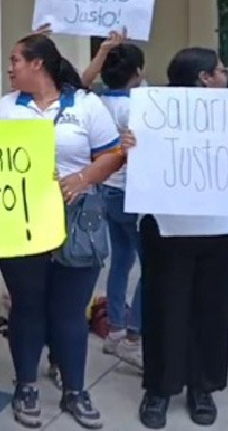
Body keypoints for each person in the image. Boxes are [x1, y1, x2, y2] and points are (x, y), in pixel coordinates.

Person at [0, 33, 123, 430]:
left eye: (16, 59)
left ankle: (75, 389)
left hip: (77, 224)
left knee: (69, 313)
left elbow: (113, 154)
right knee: (27, 308)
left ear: (38, 64)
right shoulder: (3, 108)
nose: (10, 66)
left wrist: (83, 178)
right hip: (21, 225)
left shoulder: (86, 105)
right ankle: (26, 386)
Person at [126, 48, 228, 429]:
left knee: (213, 310)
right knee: (164, 309)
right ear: (204, 78)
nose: (227, 75)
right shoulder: (154, 112)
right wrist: (129, 146)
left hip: (220, 228)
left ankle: (202, 387)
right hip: (167, 227)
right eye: (221, 70)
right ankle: (160, 388)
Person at [97, 43, 145, 370]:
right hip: (132, 191)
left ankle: (114, 328)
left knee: (121, 259)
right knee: (150, 265)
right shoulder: (139, 107)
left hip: (106, 188)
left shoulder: (98, 101)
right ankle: (133, 335)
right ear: (137, 73)